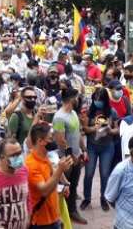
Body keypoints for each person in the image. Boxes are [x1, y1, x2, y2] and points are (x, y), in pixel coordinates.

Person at [25, 122, 74, 229]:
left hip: (53, 218)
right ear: (40, 141)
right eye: (51, 138)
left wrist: (65, 184)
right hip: (41, 223)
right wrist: (60, 169)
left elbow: (52, 177)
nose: (54, 141)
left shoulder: (44, 156)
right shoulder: (31, 164)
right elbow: (44, 190)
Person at [81, 84, 119, 211]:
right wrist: (95, 128)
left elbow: (117, 130)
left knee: (104, 174)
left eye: (100, 99)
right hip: (92, 146)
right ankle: (87, 198)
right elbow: (85, 128)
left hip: (107, 147)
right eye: (96, 98)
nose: (98, 102)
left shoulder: (112, 112)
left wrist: (109, 129)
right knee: (89, 173)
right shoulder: (89, 111)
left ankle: (104, 198)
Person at [52, 87, 86, 224]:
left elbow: (78, 134)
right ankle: (63, 215)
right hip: (66, 159)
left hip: (76, 156)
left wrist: (84, 150)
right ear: (71, 99)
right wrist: (72, 155)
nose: (78, 100)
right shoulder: (59, 117)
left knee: (73, 185)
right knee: (65, 187)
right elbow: (60, 140)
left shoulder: (73, 114)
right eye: (76, 97)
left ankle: (72, 211)